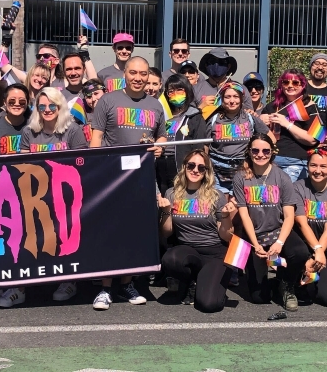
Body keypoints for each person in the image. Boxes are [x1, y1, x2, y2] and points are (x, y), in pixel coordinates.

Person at [0, 87, 89, 308]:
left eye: (52, 105)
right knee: (22, 236)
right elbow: (24, 165)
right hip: (35, 193)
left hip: (65, 193)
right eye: (42, 106)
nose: (47, 110)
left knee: (65, 236)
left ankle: (68, 281)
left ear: (60, 106)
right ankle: (19, 287)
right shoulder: (30, 131)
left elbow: (83, 163)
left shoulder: (73, 130)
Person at [88, 56, 165, 310]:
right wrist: (95, 172)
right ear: (125, 74)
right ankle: (105, 288)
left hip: (141, 179)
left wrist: (160, 147)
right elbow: (97, 137)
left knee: (133, 233)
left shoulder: (155, 105)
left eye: (143, 74)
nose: (138, 78)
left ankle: (127, 284)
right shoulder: (108, 100)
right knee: (109, 232)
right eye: (133, 73)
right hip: (112, 177)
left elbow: (162, 136)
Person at [158, 147, 236, 312]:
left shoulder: (216, 196)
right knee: (170, 259)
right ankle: (190, 281)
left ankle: (210, 284)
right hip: (188, 251)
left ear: (206, 172)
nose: (195, 170)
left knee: (209, 305)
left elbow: (227, 237)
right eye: (191, 165)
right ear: (184, 166)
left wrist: (225, 216)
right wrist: (165, 211)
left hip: (214, 253)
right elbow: (166, 232)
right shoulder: (172, 193)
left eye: (201, 167)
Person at [234, 133, 304, 310]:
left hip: (277, 231)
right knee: (259, 297)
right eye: (255, 150)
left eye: (266, 151)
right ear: (249, 152)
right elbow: (244, 214)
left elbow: (289, 216)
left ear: (272, 152)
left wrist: (280, 242)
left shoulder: (282, 177)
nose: (260, 154)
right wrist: (256, 244)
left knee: (300, 252)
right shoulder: (241, 177)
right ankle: (270, 282)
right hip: (254, 236)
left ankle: (286, 283)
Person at [289, 148, 327, 308]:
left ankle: (320, 279)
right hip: (304, 248)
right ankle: (292, 280)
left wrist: (318, 253)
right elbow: (301, 223)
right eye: (313, 165)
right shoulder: (297, 188)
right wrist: (316, 251)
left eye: (323, 166)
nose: (317, 170)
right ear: (307, 166)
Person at [261, 69, 319, 182]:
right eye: (286, 82)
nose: (290, 86)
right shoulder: (272, 107)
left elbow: (313, 139)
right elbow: (260, 135)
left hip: (296, 162)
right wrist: (260, 121)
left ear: (303, 85)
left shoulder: (311, 107)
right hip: (271, 160)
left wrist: (287, 124)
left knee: (287, 193)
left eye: (295, 83)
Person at [159, 75, 208, 193]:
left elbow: (199, 146)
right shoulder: (162, 114)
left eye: (179, 90)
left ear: (187, 91)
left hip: (182, 165)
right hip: (160, 164)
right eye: (171, 91)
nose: (175, 94)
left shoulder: (195, 116)